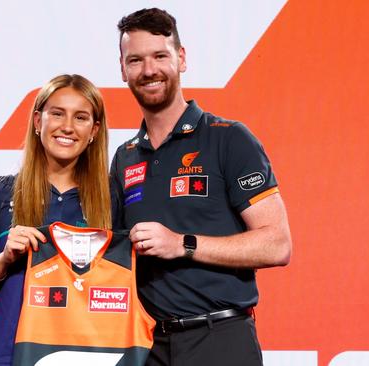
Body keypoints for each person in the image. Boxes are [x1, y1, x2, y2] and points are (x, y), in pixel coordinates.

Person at [110, 8, 292, 366]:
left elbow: (278, 244)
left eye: (160, 56)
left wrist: (181, 244)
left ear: (181, 58)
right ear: (123, 69)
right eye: (136, 60)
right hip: (147, 347)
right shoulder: (124, 157)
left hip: (219, 339)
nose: (149, 70)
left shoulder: (229, 139)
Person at [0, 74, 112, 366]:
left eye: (80, 117)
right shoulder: (0, 193)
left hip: (84, 355)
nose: (67, 126)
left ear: (94, 130)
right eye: (57, 114)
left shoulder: (112, 198)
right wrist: (3, 259)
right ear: (38, 121)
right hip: (5, 356)